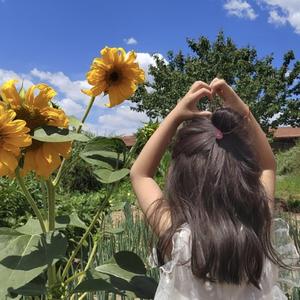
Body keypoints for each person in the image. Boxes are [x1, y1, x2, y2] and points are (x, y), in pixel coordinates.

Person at [130, 78, 299, 299]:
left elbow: (140, 174)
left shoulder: (182, 242)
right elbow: (268, 165)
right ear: (245, 174)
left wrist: (176, 114)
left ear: (182, 177)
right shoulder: (258, 229)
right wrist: (243, 112)